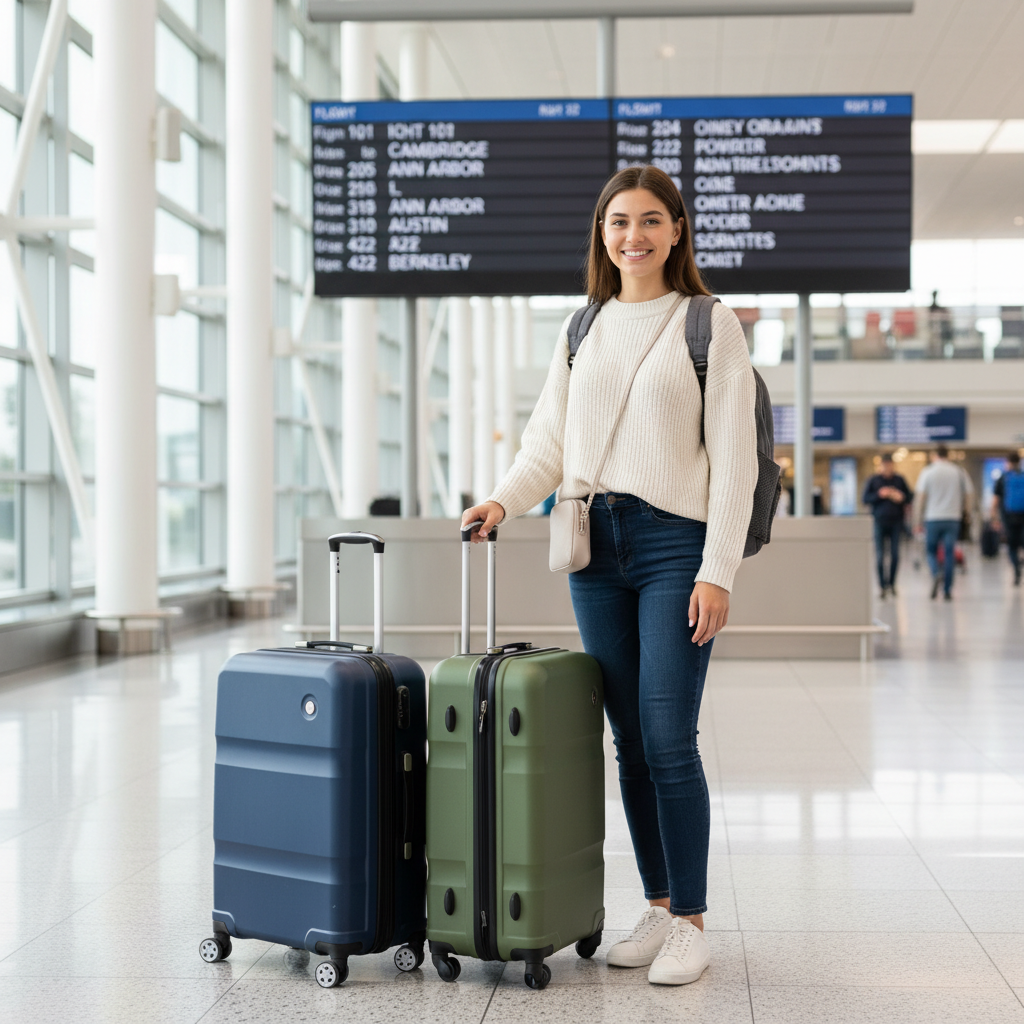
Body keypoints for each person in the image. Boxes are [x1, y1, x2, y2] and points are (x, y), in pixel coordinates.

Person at [461, 166, 757, 987]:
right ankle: (658, 906)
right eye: (619, 221)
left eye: (651, 221)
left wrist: (717, 570)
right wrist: (501, 502)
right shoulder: (582, 326)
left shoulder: (710, 322)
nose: (634, 235)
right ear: (602, 234)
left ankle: (693, 921)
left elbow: (732, 461)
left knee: (667, 737)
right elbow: (547, 443)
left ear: (678, 231)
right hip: (593, 546)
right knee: (626, 741)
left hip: (673, 547)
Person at [914, 444, 974, 600]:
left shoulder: (928, 472)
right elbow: (969, 494)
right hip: (952, 519)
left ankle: (935, 573)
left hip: (932, 518)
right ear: (948, 455)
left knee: (930, 551)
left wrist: (917, 519)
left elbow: (920, 498)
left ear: (935, 455)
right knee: (949, 554)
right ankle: (947, 590)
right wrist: (966, 513)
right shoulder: (958, 472)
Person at [862, 454, 913, 597]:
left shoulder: (899, 480)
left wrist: (900, 497)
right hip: (879, 521)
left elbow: (909, 497)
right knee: (879, 555)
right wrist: (880, 495)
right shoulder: (874, 480)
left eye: (889, 464)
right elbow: (865, 498)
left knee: (895, 555)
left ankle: (892, 583)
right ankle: (882, 586)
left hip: (896, 522)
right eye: (885, 465)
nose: (887, 467)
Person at [991, 451, 1024, 586]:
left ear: (1008, 462)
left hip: (1008, 517)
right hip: (1023, 517)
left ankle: (1016, 568)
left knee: (1011, 547)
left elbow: (995, 501)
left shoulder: (1003, 478)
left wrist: (994, 518)